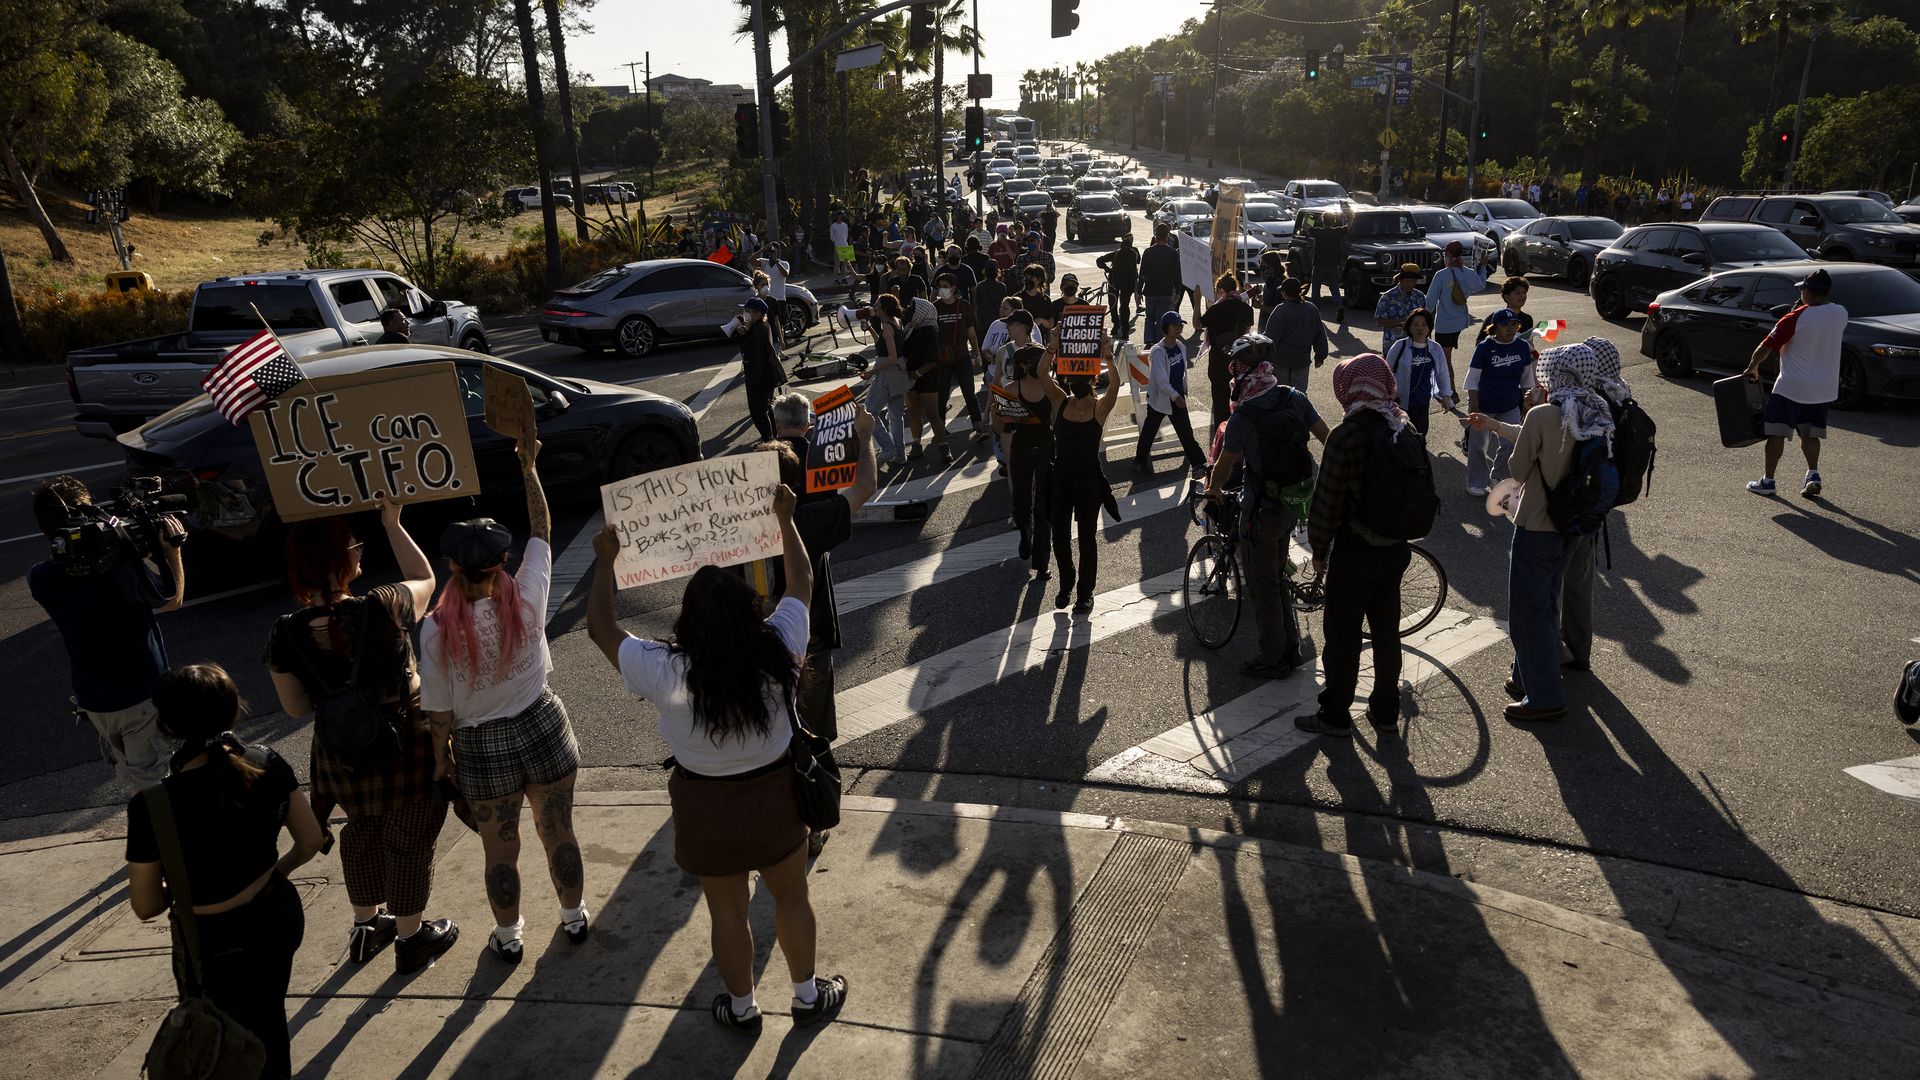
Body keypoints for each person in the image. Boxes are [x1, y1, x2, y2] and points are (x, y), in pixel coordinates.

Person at [587, 486, 849, 1033]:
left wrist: (605, 563)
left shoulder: (666, 669)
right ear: (749, 610)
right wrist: (785, 519)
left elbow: (601, 629)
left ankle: (742, 1007)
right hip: (777, 796)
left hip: (705, 805)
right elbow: (798, 584)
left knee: (726, 912)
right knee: (791, 896)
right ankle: (806, 997)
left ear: (690, 620)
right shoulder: (778, 648)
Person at [266, 499, 460, 974]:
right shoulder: (384, 604)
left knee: (361, 831)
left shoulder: (285, 632)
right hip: (404, 743)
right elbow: (427, 579)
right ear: (341, 561)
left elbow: (295, 707)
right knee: (409, 838)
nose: (358, 549)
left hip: (341, 751)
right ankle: (412, 939)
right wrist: (392, 522)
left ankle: (367, 926)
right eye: (352, 544)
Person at [419, 428, 586, 965]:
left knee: (500, 847)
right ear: (502, 561)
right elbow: (542, 527)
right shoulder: (529, 592)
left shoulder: (435, 629)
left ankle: (509, 936)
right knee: (558, 828)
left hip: (481, 744)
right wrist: (528, 466)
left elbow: (440, 714)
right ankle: (574, 918)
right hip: (542, 721)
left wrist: (440, 758)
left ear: (452, 567)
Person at [125, 663, 324, 1080]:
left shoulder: (153, 805)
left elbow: (145, 905)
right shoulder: (268, 763)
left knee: (220, 1046)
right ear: (234, 711)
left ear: (166, 724)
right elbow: (309, 841)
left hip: (211, 943)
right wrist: (277, 872)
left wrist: (176, 883)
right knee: (268, 1022)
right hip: (274, 917)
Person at [1463, 342, 1615, 723]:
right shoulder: (1597, 410)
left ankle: (1544, 695)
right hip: (1574, 523)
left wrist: (1527, 420)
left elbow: (1517, 468)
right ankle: (1525, 675)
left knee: (1529, 611)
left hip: (1537, 524)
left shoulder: (1544, 413)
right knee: (1546, 602)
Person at [762, 401, 878, 855]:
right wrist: (864, 435)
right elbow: (865, 486)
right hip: (809, 637)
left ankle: (775, 815)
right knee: (811, 728)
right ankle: (812, 823)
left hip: (755, 644)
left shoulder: (740, 525)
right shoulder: (809, 519)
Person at [29, 475, 187, 787]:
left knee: (129, 775)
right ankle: (164, 834)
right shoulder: (117, 569)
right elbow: (171, 601)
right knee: (151, 783)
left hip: (95, 699)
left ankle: (148, 826)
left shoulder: (40, 577)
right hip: (139, 695)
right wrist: (171, 552)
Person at [1295, 354, 1417, 739]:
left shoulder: (1345, 435)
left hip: (1355, 550)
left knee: (1343, 635)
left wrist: (1318, 550)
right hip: (1395, 548)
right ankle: (1385, 713)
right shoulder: (1403, 424)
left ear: (1346, 387)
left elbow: (1327, 500)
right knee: (1386, 632)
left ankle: (1335, 715)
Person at [1206, 337, 1330, 678]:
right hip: (1294, 500)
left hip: (1260, 508)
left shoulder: (1244, 415)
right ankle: (1290, 647)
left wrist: (1213, 490)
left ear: (1240, 372)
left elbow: (1225, 464)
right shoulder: (1294, 397)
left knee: (1263, 585)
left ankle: (1274, 657)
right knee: (1276, 573)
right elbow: (1327, 437)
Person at [1561, 336, 1633, 672]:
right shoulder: (1621, 391)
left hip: (1574, 501)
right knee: (1580, 581)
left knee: (1556, 581)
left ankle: (1554, 654)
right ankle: (1579, 649)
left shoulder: (1588, 400)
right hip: (1598, 500)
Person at [1746, 268, 1844, 498]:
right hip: (1823, 389)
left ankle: (1768, 481)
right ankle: (1813, 474)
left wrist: (1752, 367)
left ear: (1808, 292)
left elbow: (1766, 347)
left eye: (1803, 289)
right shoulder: (1841, 313)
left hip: (1791, 387)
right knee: (1810, 434)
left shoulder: (1794, 317)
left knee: (1776, 433)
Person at [1050, 345, 1126, 613]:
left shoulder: (1099, 408)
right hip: (1061, 479)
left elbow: (1116, 386)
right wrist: (1051, 346)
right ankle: (1066, 579)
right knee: (1058, 535)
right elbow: (1042, 376)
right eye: (1071, 380)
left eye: (1079, 380)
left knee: (1086, 537)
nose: (1074, 384)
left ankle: (1085, 593)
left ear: (1093, 381)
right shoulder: (1060, 401)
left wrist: (1107, 356)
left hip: (1088, 480)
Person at [1002, 343, 1062, 579]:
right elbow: (1004, 428)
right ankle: (1024, 529)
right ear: (1025, 366)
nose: (1043, 366)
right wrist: (1007, 456)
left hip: (1046, 450)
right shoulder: (1011, 389)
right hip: (1021, 451)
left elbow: (1058, 421)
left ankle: (1042, 564)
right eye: (1037, 362)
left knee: (1044, 509)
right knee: (1021, 502)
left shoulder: (1051, 387)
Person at [1463, 307, 1536, 496]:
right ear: (1495, 327)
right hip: (1484, 405)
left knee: (1511, 443)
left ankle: (1499, 475)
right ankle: (1476, 482)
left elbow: (1527, 378)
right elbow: (1472, 379)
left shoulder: (1521, 346)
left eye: (1515, 324)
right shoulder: (1485, 348)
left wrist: (1527, 403)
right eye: (1506, 325)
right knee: (1478, 446)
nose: (1511, 329)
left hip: (1510, 405)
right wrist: (1474, 405)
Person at [1135, 310, 1209, 478]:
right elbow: (1160, 380)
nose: (1178, 329)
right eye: (1174, 326)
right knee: (1149, 431)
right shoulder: (1158, 351)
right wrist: (1175, 396)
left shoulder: (1181, 347)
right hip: (1162, 399)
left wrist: (1181, 393)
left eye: (1180, 325)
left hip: (1177, 398)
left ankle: (1198, 464)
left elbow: (1182, 372)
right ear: (1165, 328)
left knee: (1186, 432)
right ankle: (1139, 462)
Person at [1384, 308, 1456, 437]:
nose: (1420, 328)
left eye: (1424, 324)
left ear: (1429, 327)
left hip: (1422, 401)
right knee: (1399, 436)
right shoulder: (1399, 346)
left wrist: (1446, 395)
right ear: (1409, 327)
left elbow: (1443, 373)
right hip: (1400, 401)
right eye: (1415, 325)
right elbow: (1386, 372)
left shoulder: (1435, 348)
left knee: (1420, 436)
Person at [1200, 272, 1256, 433]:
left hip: (1218, 359)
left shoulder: (1216, 309)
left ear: (1221, 290)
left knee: (1220, 401)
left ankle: (1222, 437)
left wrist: (1197, 302)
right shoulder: (1246, 308)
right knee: (1240, 398)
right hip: (1240, 360)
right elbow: (1247, 334)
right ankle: (1239, 434)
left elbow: (1198, 324)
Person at [934, 270, 985, 443]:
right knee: (942, 395)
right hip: (942, 360)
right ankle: (940, 429)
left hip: (962, 357)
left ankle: (978, 426)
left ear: (954, 288)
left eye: (945, 287)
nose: (942, 290)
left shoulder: (964, 306)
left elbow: (971, 332)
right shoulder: (935, 307)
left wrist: (977, 353)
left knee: (969, 393)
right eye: (940, 287)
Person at [1426, 240, 1493, 371]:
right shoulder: (1468, 273)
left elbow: (1429, 303)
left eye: (1446, 254)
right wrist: (1483, 267)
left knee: (1444, 360)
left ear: (1449, 254)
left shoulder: (1441, 275)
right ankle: (1449, 388)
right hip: (1460, 322)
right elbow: (1480, 285)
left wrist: (1424, 322)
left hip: (1444, 325)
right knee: (1446, 357)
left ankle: (1451, 389)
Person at [731, 297, 787, 442]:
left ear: (757, 313)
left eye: (748, 311)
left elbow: (753, 355)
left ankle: (768, 439)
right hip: (766, 375)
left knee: (758, 411)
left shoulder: (757, 330)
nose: (745, 313)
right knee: (766, 408)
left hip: (759, 376)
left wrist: (755, 381)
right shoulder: (762, 326)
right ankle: (773, 437)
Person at [1260, 277, 1330, 390]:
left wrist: (1262, 356)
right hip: (1301, 361)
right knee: (1299, 394)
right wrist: (1320, 356)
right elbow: (1320, 335)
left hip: (1281, 361)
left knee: (1282, 394)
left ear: (1283, 293)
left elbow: (1271, 337)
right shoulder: (1311, 309)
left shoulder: (1281, 310)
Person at [865, 294, 910, 463]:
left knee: (869, 412)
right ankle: (900, 454)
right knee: (896, 416)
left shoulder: (886, 325)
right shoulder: (895, 322)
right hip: (899, 374)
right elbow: (883, 344)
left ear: (884, 308)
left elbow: (890, 356)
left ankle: (888, 448)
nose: (874, 306)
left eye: (877, 304)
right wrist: (869, 328)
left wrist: (872, 372)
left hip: (887, 374)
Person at [1139, 225, 1183, 349]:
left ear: (1155, 236)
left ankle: (1148, 340)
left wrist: (1138, 290)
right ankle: (1159, 341)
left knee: (1149, 316)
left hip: (1151, 290)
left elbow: (1142, 273)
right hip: (1166, 291)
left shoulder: (1148, 252)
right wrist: (1178, 291)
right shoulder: (1172, 253)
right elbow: (1177, 274)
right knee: (1161, 317)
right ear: (1167, 236)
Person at [1373, 264, 1427, 354]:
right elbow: (1380, 322)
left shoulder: (1420, 297)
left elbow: (1426, 320)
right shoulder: (1387, 297)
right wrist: (1401, 322)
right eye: (1407, 281)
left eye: (1413, 282)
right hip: (1392, 346)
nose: (1410, 284)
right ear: (1400, 280)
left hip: (1416, 346)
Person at [1096, 232, 1139, 332]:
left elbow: (1099, 260)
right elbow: (1134, 273)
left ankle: (1116, 325)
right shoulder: (1133, 255)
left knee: (1113, 305)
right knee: (1124, 306)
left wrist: (1107, 269)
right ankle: (1124, 328)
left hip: (1113, 283)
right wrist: (1134, 287)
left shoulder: (1116, 253)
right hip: (1126, 285)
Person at [1309, 207, 1347, 321]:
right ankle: (1339, 305)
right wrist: (1350, 214)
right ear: (1334, 221)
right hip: (1332, 264)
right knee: (1334, 288)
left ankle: (1316, 311)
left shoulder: (1318, 231)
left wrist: (1310, 216)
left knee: (1316, 288)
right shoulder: (1338, 232)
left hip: (1319, 264)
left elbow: (1306, 227)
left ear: (1322, 220)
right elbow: (1349, 226)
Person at [1475, 276, 1536, 342]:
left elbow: (1529, 343)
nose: (1522, 296)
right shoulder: (1495, 317)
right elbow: (1479, 342)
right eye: (1517, 293)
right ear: (1506, 297)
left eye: (1524, 292)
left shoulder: (1527, 319)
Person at [972, 261, 1008, 343]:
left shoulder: (980, 286)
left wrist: (976, 322)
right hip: (998, 321)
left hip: (983, 323)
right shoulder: (1002, 286)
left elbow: (976, 305)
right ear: (997, 271)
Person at [829, 211, 854, 286]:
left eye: (842, 215)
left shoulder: (845, 225)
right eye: (839, 215)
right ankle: (835, 278)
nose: (840, 217)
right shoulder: (833, 226)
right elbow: (832, 237)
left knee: (845, 263)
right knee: (837, 263)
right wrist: (836, 241)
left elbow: (846, 235)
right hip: (837, 244)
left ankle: (843, 277)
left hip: (844, 244)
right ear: (836, 216)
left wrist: (844, 242)